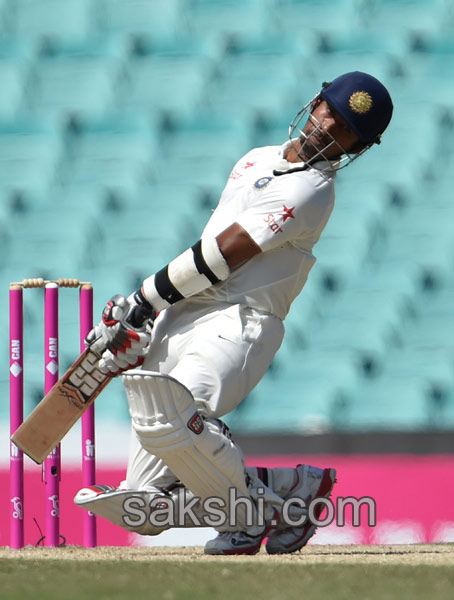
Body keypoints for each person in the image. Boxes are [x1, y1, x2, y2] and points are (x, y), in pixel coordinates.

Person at [76, 71, 393, 555]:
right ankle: (291, 490)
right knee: (146, 506)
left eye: (345, 127)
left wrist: (142, 302)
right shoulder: (256, 159)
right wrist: (150, 321)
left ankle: (247, 521)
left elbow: (222, 256)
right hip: (186, 315)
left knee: (173, 419)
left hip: (238, 322)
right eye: (328, 110)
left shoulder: (312, 191)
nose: (328, 126)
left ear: (357, 146)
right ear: (314, 102)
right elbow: (203, 251)